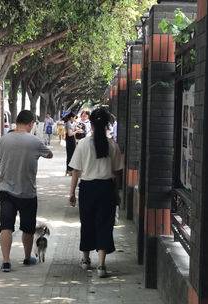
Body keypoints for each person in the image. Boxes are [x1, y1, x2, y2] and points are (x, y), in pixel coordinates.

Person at [0, 110, 53, 273]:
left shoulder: (4, 139)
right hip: (28, 193)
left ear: (17, 122)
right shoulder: (35, 141)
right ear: (31, 123)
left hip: (6, 191)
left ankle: (6, 261)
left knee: (6, 227)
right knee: (28, 228)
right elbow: (50, 154)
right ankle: (26, 257)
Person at [67, 107, 123, 278]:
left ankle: (85, 259)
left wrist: (72, 193)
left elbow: (76, 170)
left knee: (87, 222)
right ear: (107, 125)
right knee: (105, 224)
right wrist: (117, 192)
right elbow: (117, 172)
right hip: (106, 188)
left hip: (88, 189)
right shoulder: (112, 145)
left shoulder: (83, 144)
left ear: (90, 124)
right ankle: (102, 265)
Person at [63, 112, 78, 176]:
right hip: (70, 140)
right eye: (74, 118)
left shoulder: (68, 123)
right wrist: (77, 131)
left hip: (70, 140)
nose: (75, 119)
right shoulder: (68, 123)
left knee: (70, 155)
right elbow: (70, 134)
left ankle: (68, 170)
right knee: (71, 156)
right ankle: (69, 170)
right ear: (71, 117)